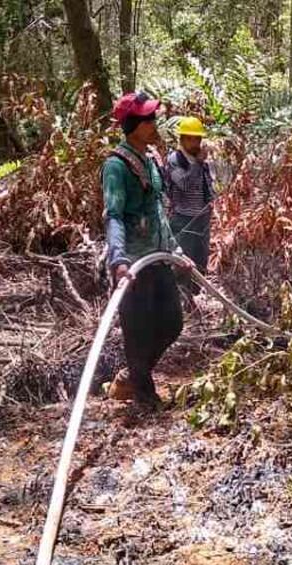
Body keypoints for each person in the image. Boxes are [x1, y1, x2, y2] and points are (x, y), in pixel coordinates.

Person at [103, 92, 189, 409]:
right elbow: (113, 215)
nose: (154, 123)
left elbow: (157, 213)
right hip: (133, 264)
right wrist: (119, 260)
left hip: (158, 257)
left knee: (172, 323)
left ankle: (130, 377)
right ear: (133, 125)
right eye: (148, 119)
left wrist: (176, 249)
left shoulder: (150, 160)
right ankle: (145, 398)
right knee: (137, 335)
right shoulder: (115, 166)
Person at [163, 116, 215, 284]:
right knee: (182, 260)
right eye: (191, 139)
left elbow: (207, 185)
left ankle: (197, 294)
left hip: (202, 218)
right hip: (184, 218)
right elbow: (184, 184)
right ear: (183, 139)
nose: (196, 143)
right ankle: (181, 295)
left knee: (200, 258)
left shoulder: (201, 161)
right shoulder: (175, 160)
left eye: (198, 139)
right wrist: (197, 164)